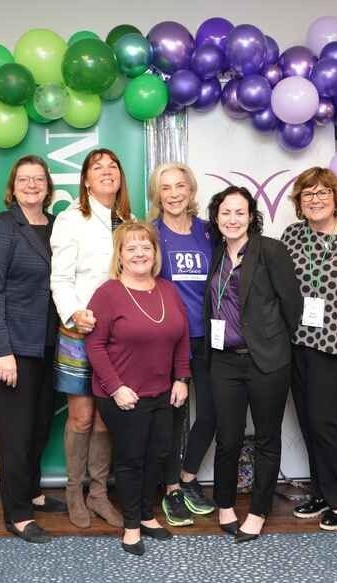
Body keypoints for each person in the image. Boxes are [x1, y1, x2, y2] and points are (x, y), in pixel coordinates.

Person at [0, 155, 67, 545]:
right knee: (14, 432)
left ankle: (31, 490)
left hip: (49, 343)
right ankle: (18, 514)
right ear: (12, 188)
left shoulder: (58, 227)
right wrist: (2, 351)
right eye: (24, 179)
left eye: (38, 179)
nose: (32, 184)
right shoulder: (1, 226)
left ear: (48, 187)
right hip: (11, 345)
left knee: (41, 423)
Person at [85, 222, 190, 555]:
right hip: (123, 395)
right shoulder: (108, 293)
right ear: (120, 255)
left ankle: (146, 514)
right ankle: (131, 526)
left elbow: (182, 337)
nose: (140, 253)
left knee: (157, 454)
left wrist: (181, 378)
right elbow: (95, 345)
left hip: (163, 390)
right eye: (131, 248)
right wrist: (116, 388)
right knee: (131, 460)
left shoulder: (168, 290)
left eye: (146, 246)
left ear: (155, 253)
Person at [205, 186, 302, 543]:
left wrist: (272, 342)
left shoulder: (270, 251)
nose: (233, 219)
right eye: (226, 212)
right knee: (227, 438)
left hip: (266, 362)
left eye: (240, 212)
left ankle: (259, 510)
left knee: (266, 438)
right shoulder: (216, 255)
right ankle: (225, 504)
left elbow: (292, 305)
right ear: (217, 217)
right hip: (224, 363)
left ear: (251, 216)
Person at [280, 167, 337, 531]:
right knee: (309, 424)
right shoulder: (292, 236)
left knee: (328, 425)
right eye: (307, 195)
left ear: (336, 199)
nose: (315, 200)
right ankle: (322, 491)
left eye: (322, 193)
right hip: (298, 344)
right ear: (299, 203)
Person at [49, 148, 130, 529]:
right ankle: (73, 493)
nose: (106, 172)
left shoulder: (128, 221)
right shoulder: (71, 219)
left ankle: (99, 494)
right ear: (85, 180)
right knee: (81, 418)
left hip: (118, 337)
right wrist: (73, 312)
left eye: (112, 166)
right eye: (97, 167)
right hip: (80, 330)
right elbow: (60, 278)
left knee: (105, 420)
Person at [148, 163, 217, 527]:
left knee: (211, 413)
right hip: (169, 338)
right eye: (165, 187)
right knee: (171, 419)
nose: (173, 193)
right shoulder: (152, 234)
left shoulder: (209, 232)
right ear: (156, 194)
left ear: (190, 190)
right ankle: (171, 489)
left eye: (180, 186)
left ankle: (189, 478)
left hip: (208, 336)